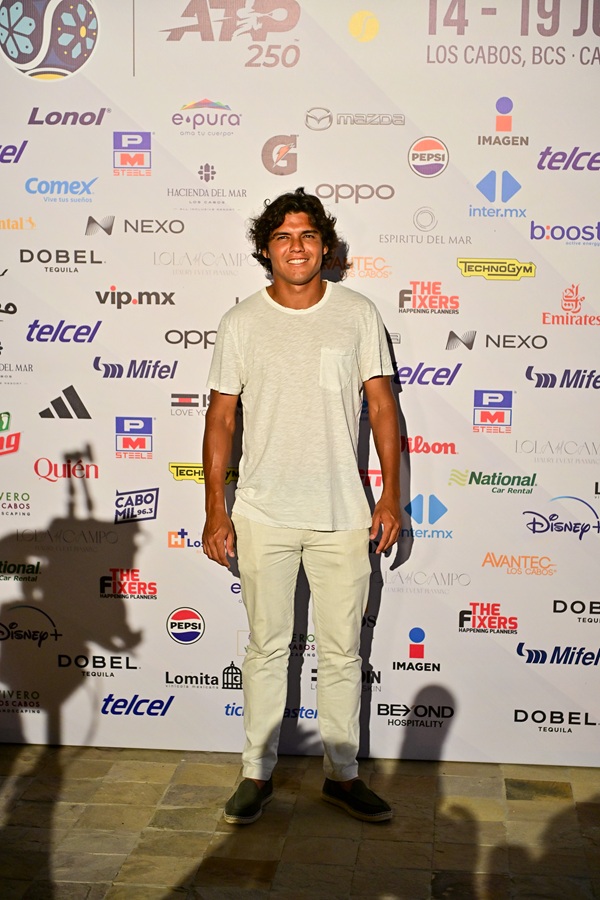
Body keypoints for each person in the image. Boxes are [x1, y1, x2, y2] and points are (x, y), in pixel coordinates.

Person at [202, 187, 400, 824]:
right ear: (266, 249)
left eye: (308, 235)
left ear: (325, 246)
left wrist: (391, 495)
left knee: (342, 652)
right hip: (262, 513)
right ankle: (255, 774)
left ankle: (342, 775)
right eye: (283, 237)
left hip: (344, 512)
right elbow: (221, 418)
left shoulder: (358, 313)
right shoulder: (241, 321)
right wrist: (215, 508)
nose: (296, 247)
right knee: (266, 648)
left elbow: (382, 407)